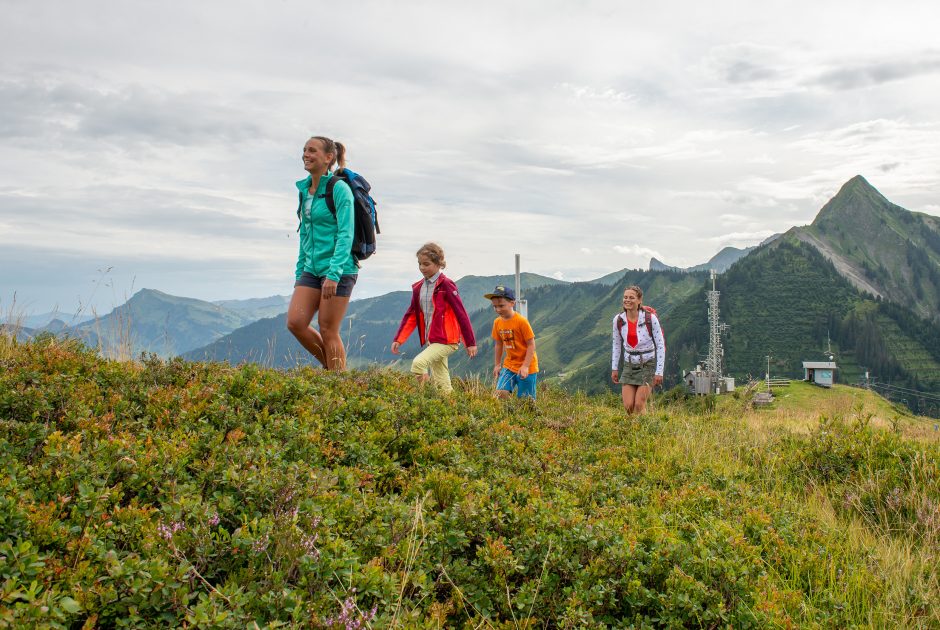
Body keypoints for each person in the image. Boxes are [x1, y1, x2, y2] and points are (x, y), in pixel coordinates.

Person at [286, 136, 359, 371]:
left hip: (339, 269)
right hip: (311, 268)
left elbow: (346, 234)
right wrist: (300, 272)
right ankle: (333, 370)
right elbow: (305, 234)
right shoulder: (304, 191)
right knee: (295, 322)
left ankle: (338, 382)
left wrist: (334, 273)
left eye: (312, 150)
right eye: (304, 150)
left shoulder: (339, 189)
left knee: (328, 329)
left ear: (328, 158)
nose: (306, 154)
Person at [391, 243, 477, 392]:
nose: (422, 268)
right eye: (419, 264)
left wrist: (470, 342)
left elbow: (461, 313)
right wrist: (399, 339)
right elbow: (411, 315)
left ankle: (425, 397)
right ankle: (449, 401)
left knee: (418, 364)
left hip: (447, 339)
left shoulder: (446, 285)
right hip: (432, 339)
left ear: (438, 264)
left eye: (426, 264)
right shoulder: (419, 287)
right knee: (441, 379)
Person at [611, 285, 665, 414]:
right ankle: (635, 425)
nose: (627, 300)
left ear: (639, 300)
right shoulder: (618, 320)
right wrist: (614, 368)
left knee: (639, 405)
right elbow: (616, 344)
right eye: (625, 297)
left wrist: (659, 372)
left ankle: (643, 425)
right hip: (629, 365)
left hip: (647, 364)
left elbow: (660, 345)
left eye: (631, 297)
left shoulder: (650, 319)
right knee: (628, 406)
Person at [486, 285, 539, 400]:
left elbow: (531, 344)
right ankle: (508, 410)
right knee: (500, 393)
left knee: (526, 401)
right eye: (495, 306)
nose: (498, 309)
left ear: (512, 303)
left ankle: (521, 411)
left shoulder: (521, 322)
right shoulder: (497, 322)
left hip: (528, 366)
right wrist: (497, 364)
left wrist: (525, 366)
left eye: (501, 306)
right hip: (509, 365)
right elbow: (499, 344)